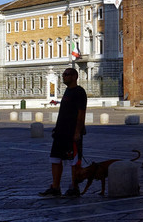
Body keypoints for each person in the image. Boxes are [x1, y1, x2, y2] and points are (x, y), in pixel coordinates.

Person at [38, 67, 88, 196]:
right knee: (55, 158)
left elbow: (81, 113)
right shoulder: (67, 91)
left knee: (74, 160)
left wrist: (77, 131)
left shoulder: (79, 92)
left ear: (75, 76)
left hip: (72, 132)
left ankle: (74, 186)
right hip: (61, 132)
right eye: (63, 74)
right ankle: (55, 187)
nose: (64, 76)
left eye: (67, 74)